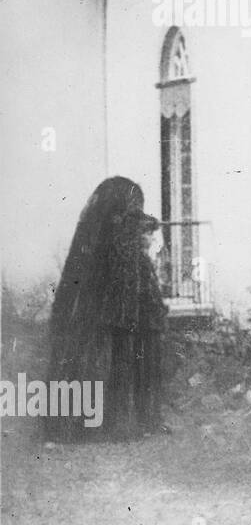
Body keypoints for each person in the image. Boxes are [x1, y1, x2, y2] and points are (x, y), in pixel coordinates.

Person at [45, 177, 170, 443]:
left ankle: (131, 422)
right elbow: (128, 289)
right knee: (118, 369)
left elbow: (145, 293)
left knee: (130, 370)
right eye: (144, 233)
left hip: (129, 324)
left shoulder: (128, 254)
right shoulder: (123, 250)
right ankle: (116, 424)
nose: (147, 239)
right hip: (120, 323)